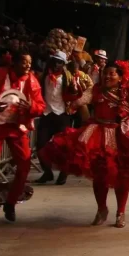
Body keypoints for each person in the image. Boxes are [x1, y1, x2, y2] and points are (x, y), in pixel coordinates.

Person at [40, 62, 129, 227]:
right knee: (99, 176)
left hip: (121, 136)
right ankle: (102, 209)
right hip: (97, 134)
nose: (107, 76)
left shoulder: (128, 92)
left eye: (112, 74)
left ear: (121, 77)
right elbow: (81, 100)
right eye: (105, 73)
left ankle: (120, 212)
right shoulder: (95, 90)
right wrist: (73, 100)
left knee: (122, 177)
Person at [0, 51, 44, 225]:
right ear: (14, 63)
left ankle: (10, 203)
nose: (28, 65)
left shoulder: (32, 80)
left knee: (24, 164)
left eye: (30, 62)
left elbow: (40, 106)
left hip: (16, 126)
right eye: (25, 62)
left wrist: (31, 106)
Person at [36, 51, 78, 186]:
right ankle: (47, 172)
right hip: (47, 113)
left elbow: (74, 93)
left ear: (64, 64)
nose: (56, 64)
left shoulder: (68, 77)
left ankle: (63, 172)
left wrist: (74, 90)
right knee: (40, 144)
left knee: (64, 147)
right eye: (55, 61)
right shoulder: (44, 77)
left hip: (62, 114)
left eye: (60, 62)